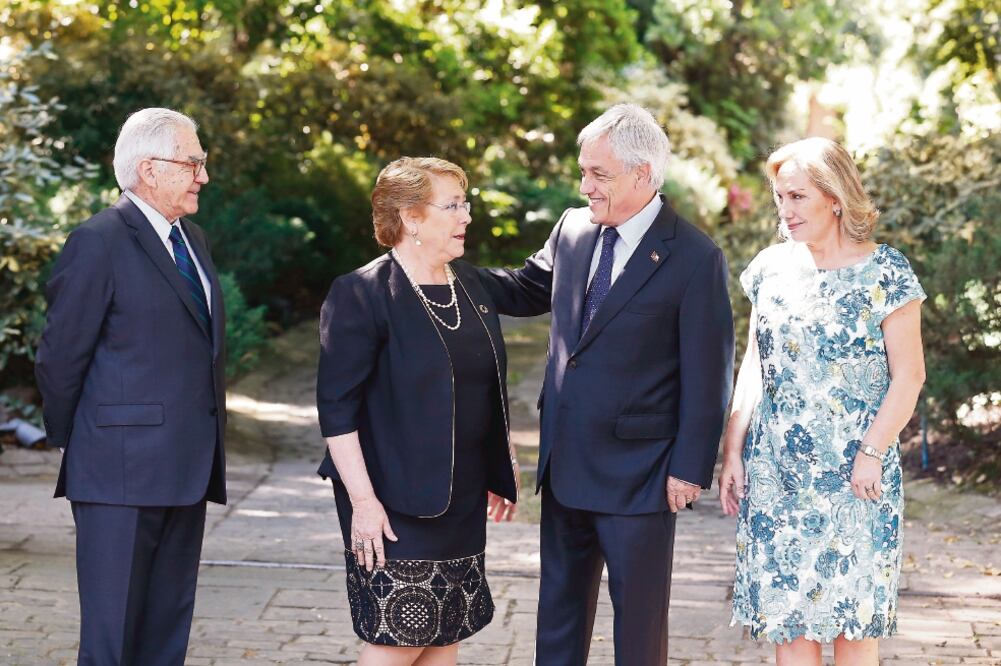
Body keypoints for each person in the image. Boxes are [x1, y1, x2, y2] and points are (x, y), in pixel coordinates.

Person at [479, 103, 736, 664]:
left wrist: (691, 467)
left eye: (599, 174)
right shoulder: (573, 229)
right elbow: (524, 288)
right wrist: (440, 266)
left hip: (641, 476)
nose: (584, 186)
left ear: (643, 174)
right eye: (583, 172)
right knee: (558, 621)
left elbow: (709, 372)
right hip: (566, 462)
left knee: (639, 632)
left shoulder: (695, 257)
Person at [316, 157, 543, 665]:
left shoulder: (472, 285)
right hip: (390, 501)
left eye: (466, 203)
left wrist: (500, 458)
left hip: (462, 498)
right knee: (398, 638)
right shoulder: (361, 293)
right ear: (411, 217)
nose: (466, 216)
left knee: (444, 636)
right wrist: (364, 504)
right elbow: (336, 412)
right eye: (452, 206)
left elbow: (479, 382)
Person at [718, 137, 926, 665]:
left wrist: (872, 451)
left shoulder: (886, 272)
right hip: (777, 476)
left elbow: (909, 375)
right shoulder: (769, 269)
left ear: (834, 198)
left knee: (854, 627)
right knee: (790, 626)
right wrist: (733, 451)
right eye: (779, 197)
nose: (784, 210)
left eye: (797, 197)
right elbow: (755, 365)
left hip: (858, 476)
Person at [34, 107, 226, 665]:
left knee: (165, 636)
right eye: (192, 163)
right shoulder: (97, 241)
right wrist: (73, 440)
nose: (203, 175)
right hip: (116, 471)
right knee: (112, 639)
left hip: (188, 466)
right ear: (149, 168)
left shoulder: (193, 239)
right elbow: (60, 356)